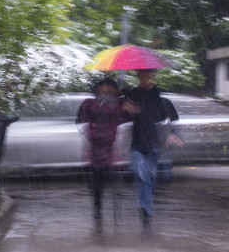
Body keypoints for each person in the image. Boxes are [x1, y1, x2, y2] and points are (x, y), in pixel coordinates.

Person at [124, 69, 183, 221]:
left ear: (152, 78)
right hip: (137, 144)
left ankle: (145, 203)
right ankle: (145, 203)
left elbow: (173, 116)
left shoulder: (159, 96)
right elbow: (124, 110)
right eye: (142, 77)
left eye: (148, 77)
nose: (146, 80)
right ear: (139, 78)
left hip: (154, 144)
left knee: (149, 175)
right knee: (143, 175)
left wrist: (174, 133)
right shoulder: (133, 94)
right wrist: (128, 108)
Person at [76, 77, 137, 219]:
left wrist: (127, 101)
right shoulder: (89, 103)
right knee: (97, 180)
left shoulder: (119, 104)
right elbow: (80, 120)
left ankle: (116, 206)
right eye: (102, 89)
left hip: (111, 147)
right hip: (95, 147)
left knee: (115, 177)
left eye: (109, 89)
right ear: (97, 90)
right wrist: (88, 132)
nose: (105, 91)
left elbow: (131, 116)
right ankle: (97, 206)